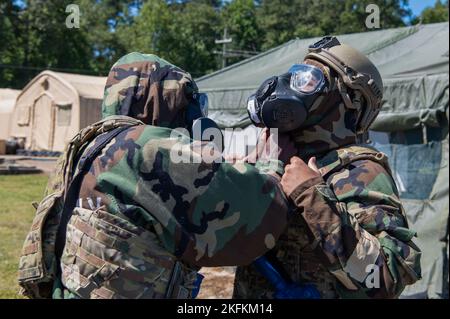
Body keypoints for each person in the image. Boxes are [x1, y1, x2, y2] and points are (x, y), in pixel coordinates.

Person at [18, 52, 298, 299]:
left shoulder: (90, 145)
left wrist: (221, 169)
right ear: (164, 100)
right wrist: (271, 163)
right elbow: (256, 217)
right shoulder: (147, 146)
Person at [233, 37, 422, 299]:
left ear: (349, 99)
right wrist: (253, 172)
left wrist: (310, 197)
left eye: (310, 80)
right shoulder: (272, 156)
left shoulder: (359, 169)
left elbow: (387, 277)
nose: (291, 86)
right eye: (294, 76)